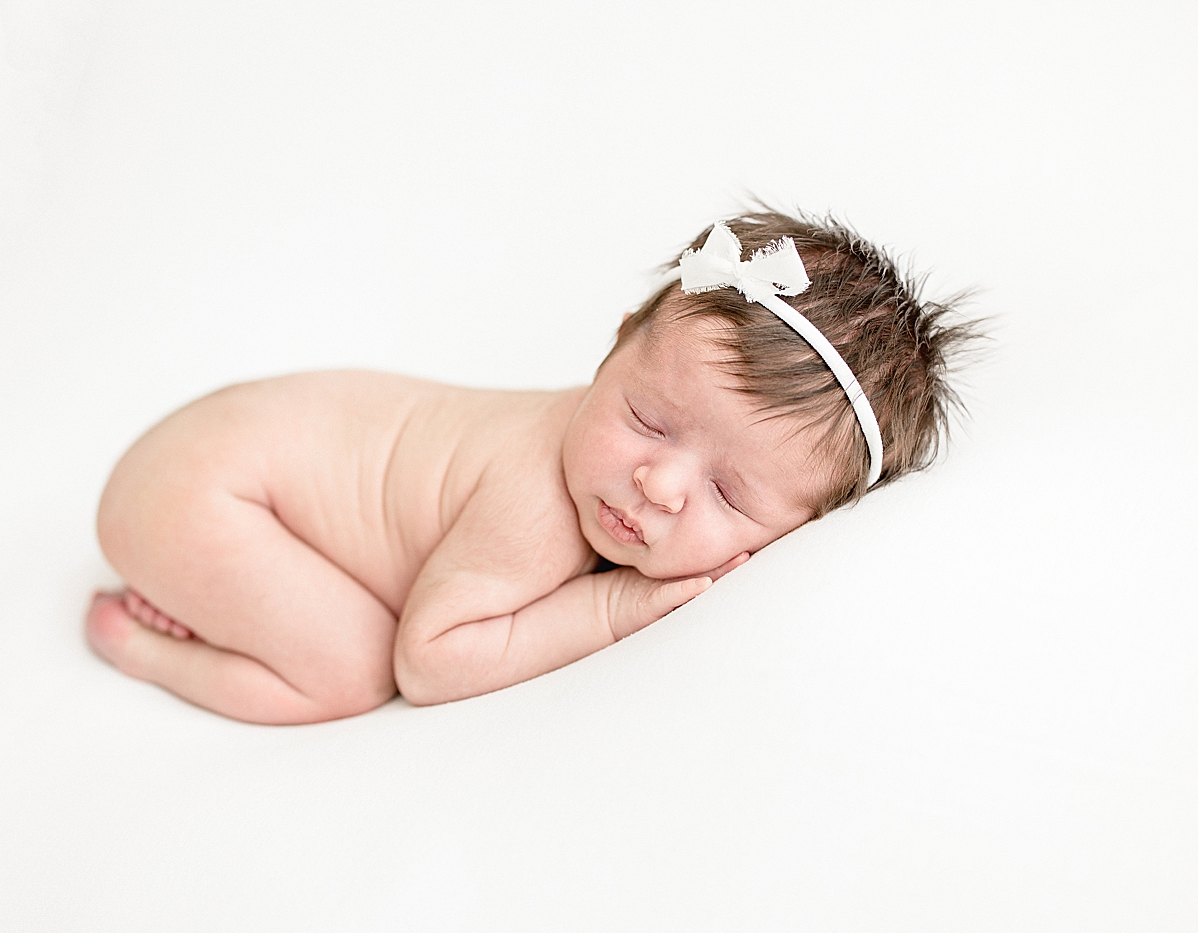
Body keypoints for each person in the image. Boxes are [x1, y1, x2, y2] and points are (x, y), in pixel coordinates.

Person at [85, 208, 979, 724]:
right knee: (352, 669)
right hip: (202, 492)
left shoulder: (614, 462)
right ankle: (144, 645)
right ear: (612, 351)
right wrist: (614, 603)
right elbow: (428, 662)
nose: (658, 484)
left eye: (727, 492)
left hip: (229, 453)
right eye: (646, 418)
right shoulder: (538, 499)